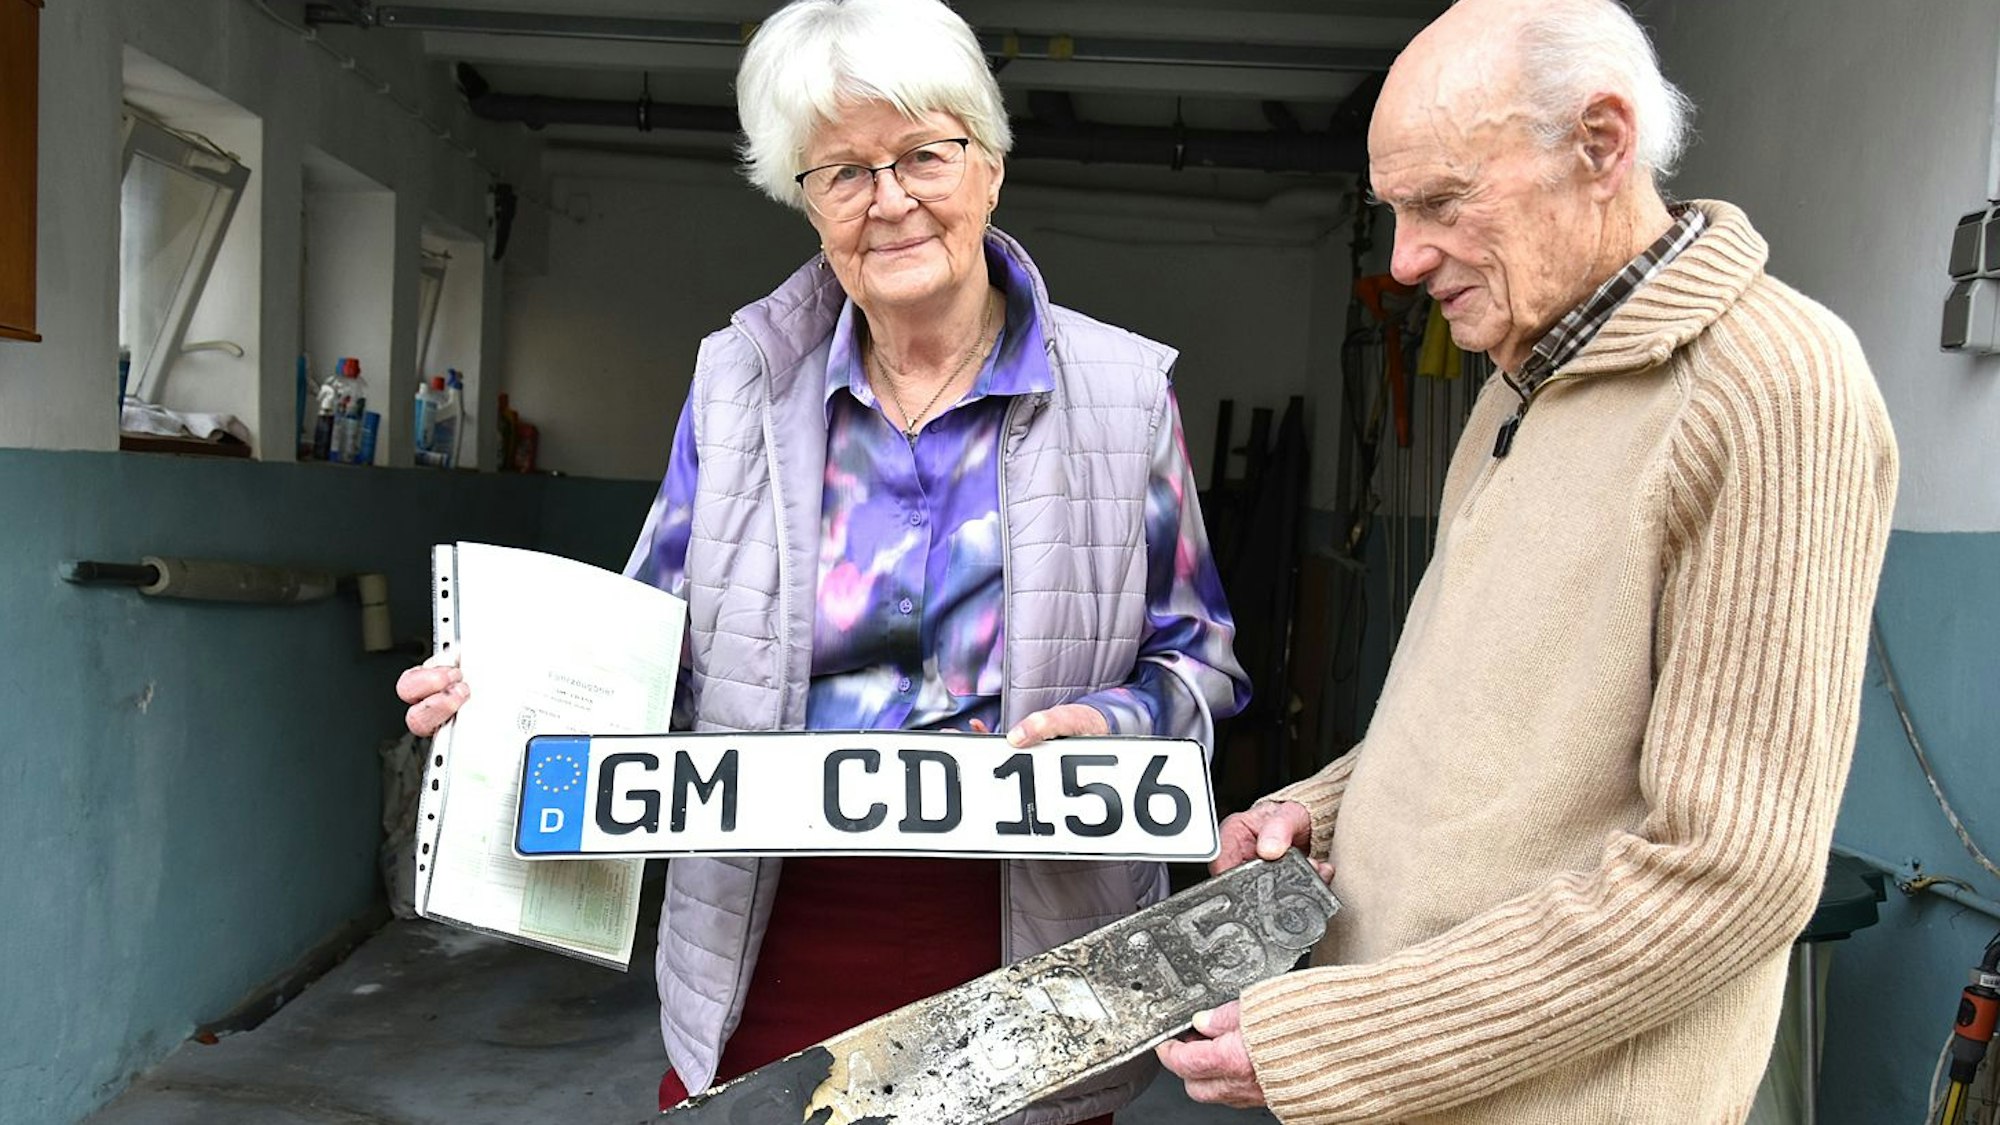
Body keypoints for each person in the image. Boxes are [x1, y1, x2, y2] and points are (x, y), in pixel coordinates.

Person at [398, 0, 1249, 1120]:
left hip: (1032, 934)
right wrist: (507, 700)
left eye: (923, 155)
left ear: (989, 167)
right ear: (804, 200)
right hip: (767, 933)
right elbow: (648, 652)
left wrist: (1112, 726)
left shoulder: (1123, 394)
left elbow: (1199, 660)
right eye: (843, 172)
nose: (888, 200)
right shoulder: (738, 384)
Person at [1156, 0, 1898, 1122]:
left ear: (1599, 144)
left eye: (1441, 201)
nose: (1404, 259)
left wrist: (1347, 1042)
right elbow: (1493, 717)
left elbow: (1729, 873)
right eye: (1393, 211)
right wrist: (1326, 809)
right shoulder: (1519, 376)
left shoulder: (1769, 389)